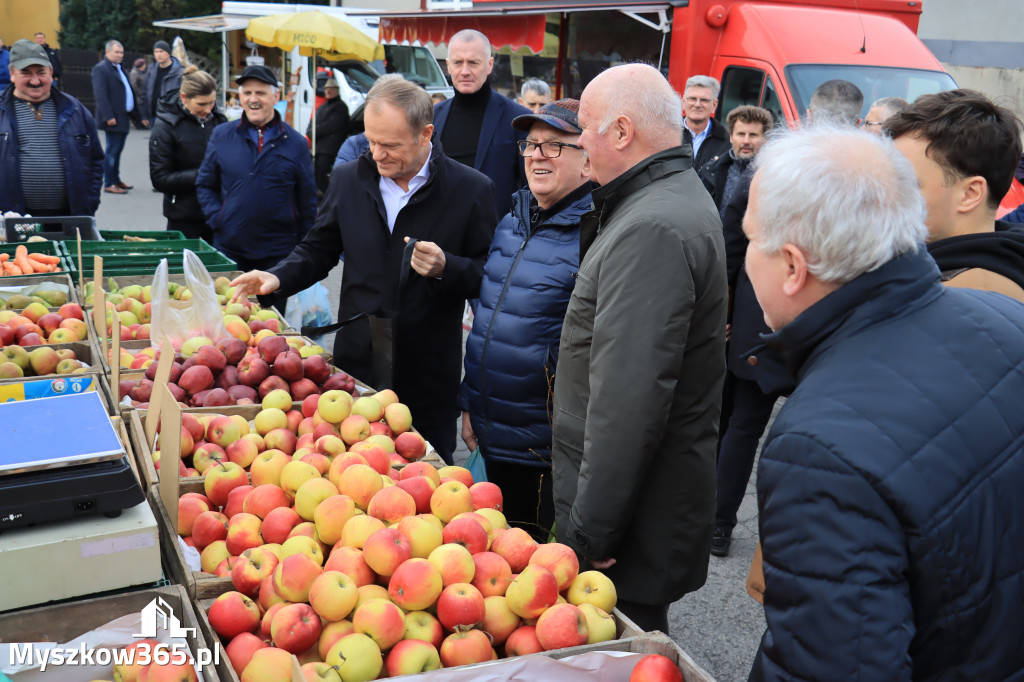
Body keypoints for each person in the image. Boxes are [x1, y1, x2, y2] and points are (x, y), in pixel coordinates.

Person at [744, 124, 1024, 681]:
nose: (746, 255)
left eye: (752, 238)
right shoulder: (1008, 321)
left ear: (795, 267)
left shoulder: (819, 447)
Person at [229, 77, 497, 464]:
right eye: (371, 141)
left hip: (427, 371)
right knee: (355, 475)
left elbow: (490, 276)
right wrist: (278, 276)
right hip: (358, 364)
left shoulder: (471, 189)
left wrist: (447, 267)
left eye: (390, 145)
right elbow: (318, 249)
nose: (377, 154)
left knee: (429, 482)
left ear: (426, 135)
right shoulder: (349, 179)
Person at [550, 63, 726, 633]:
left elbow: (629, 398)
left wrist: (591, 530)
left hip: (631, 525)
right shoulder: (660, 201)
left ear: (621, 132)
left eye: (584, 129)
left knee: (626, 650)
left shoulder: (653, 225)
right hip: (642, 508)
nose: (578, 144)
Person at [460, 99, 592, 541]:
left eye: (555, 145)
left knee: (523, 561)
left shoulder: (595, 234)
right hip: (490, 429)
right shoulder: (512, 219)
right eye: (531, 144)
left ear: (588, 159)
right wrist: (470, 403)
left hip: (541, 449)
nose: (537, 154)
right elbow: (489, 322)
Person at [197, 65, 316, 311]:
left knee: (271, 325)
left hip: (277, 254)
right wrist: (219, 219)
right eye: (247, 92)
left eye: (260, 93)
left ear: (276, 96)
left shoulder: (296, 143)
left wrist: (302, 251)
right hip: (230, 248)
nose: (253, 99)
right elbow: (205, 183)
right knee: (227, 319)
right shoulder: (222, 135)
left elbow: (307, 201)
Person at [886, 89, 1024, 302]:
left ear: (970, 194)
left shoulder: (957, 298)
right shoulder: (1005, 261)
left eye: (906, 183)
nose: (885, 195)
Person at [0, 39, 103, 216]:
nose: (35, 81)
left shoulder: (76, 110)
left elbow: (96, 161)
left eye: (41, 72)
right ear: (12, 73)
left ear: (51, 72)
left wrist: (89, 202)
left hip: (70, 218)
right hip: (12, 220)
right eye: (26, 73)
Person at [433, 29, 531, 215]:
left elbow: (529, 187)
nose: (465, 71)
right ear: (448, 66)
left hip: (495, 233)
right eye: (458, 62)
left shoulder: (519, 119)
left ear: (489, 65)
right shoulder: (432, 116)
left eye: (473, 63)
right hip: (440, 230)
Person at [149, 65, 227, 243]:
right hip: (183, 216)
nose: (208, 109)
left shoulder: (219, 120)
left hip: (217, 212)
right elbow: (160, 179)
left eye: (212, 102)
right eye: (201, 104)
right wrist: (203, 174)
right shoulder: (165, 128)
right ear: (184, 98)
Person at [92, 39, 144, 194]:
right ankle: (109, 182)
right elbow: (101, 95)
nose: (120, 55)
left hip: (123, 116)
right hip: (113, 118)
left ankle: (116, 179)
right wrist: (108, 115)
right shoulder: (101, 69)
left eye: (121, 52)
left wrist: (137, 116)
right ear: (107, 52)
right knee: (112, 151)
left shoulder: (120, 68)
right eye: (117, 52)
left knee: (118, 150)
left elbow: (128, 91)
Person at [699, 105, 772, 210]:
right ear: (731, 137)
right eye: (741, 134)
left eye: (753, 135)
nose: (746, 141)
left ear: (766, 139)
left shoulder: (775, 177)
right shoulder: (710, 171)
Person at [306, 77, 349, 195]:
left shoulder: (341, 107)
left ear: (337, 90)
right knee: (313, 171)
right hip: (318, 147)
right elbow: (312, 122)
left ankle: (328, 194)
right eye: (326, 89)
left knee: (322, 172)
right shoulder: (322, 107)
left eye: (331, 89)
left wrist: (314, 132)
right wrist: (309, 131)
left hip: (330, 148)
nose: (328, 92)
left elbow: (331, 125)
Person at [682, 75, 731, 171]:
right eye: (692, 99)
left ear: (714, 105)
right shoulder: (667, 134)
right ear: (684, 102)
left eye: (704, 100)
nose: (697, 104)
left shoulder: (727, 141)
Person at [144, 41, 184, 122]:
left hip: (173, 117)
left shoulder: (179, 72)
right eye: (156, 52)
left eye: (161, 51)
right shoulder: (151, 71)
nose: (158, 54)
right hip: (154, 115)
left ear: (168, 53)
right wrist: (144, 115)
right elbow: (145, 93)